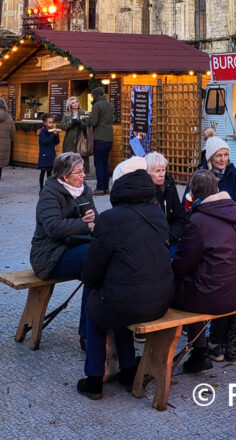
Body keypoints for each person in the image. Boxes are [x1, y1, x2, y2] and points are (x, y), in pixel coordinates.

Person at [77, 166, 175, 399]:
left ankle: (94, 378)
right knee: (119, 297)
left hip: (128, 302)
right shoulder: (157, 213)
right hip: (161, 300)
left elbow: (91, 272)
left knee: (96, 302)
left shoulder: (110, 219)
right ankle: (128, 368)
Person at [172, 168, 236, 374]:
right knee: (212, 280)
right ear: (217, 189)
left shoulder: (198, 220)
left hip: (215, 296)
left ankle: (197, 353)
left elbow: (182, 265)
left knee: (174, 288)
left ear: (194, 193)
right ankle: (207, 347)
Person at [30, 152, 96, 348]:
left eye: (83, 170)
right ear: (65, 177)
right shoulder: (50, 193)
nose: (83, 175)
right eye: (78, 172)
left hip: (78, 247)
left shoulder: (85, 191)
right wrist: (85, 225)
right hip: (49, 254)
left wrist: (94, 219)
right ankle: (88, 335)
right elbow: (53, 227)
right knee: (94, 259)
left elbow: (95, 223)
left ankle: (91, 332)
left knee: (98, 268)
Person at [192, 136, 236, 208]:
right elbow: (187, 204)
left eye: (226, 155)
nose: (223, 159)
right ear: (210, 158)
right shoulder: (199, 177)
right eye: (219, 155)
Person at [145, 151, 186, 247]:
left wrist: (170, 236)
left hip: (169, 239)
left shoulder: (169, 186)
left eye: (163, 170)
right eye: (157, 171)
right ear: (148, 173)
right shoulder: (143, 192)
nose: (162, 174)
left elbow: (179, 217)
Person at [82, 87, 113, 196]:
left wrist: (86, 120)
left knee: (98, 163)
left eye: (92, 95)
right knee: (105, 163)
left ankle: (100, 188)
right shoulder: (109, 105)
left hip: (99, 137)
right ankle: (106, 188)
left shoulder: (97, 105)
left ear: (95, 95)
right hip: (109, 138)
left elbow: (93, 122)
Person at [59, 96, 90, 175]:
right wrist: (70, 123)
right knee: (69, 163)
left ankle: (82, 181)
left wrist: (79, 123)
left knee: (81, 163)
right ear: (69, 105)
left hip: (81, 140)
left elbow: (87, 126)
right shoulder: (66, 115)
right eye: (72, 103)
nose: (75, 104)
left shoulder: (84, 113)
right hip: (69, 141)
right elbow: (63, 127)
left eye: (76, 102)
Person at [36, 114, 60, 191]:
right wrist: (53, 134)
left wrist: (56, 135)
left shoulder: (52, 131)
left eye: (52, 122)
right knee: (43, 172)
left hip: (51, 154)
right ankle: (41, 188)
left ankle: (49, 187)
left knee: (50, 173)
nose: (51, 124)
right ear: (45, 123)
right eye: (50, 122)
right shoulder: (42, 132)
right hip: (44, 155)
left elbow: (56, 142)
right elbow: (45, 141)